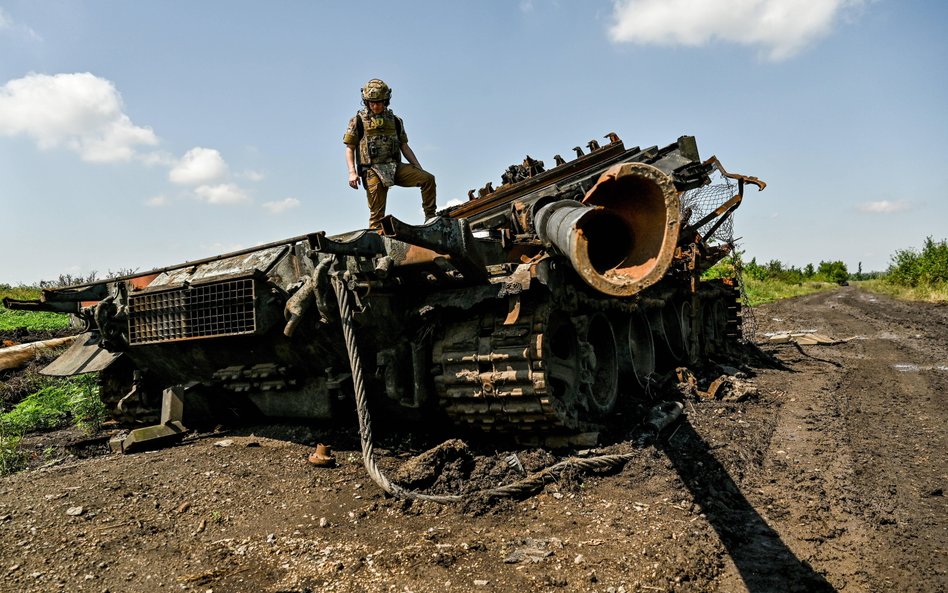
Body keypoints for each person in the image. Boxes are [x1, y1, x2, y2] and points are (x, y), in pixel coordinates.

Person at [343, 78, 437, 229]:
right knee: (377, 216)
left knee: (428, 179)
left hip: (395, 167)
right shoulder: (358, 121)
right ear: (366, 102)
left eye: (379, 102)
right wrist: (352, 172)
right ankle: (375, 247)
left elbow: (404, 146)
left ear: (386, 101)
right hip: (373, 170)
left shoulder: (395, 121)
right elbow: (350, 148)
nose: (375, 105)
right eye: (371, 102)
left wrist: (417, 166)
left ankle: (431, 217)